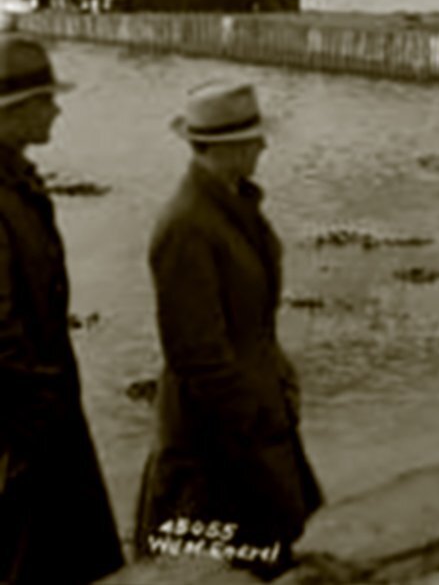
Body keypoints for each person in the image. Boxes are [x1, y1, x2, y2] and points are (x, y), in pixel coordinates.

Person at [136, 81, 322, 577]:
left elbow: (252, 322)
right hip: (216, 434)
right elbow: (195, 352)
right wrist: (254, 418)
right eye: (254, 138)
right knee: (230, 556)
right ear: (225, 148)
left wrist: (280, 373)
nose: (263, 145)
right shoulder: (186, 226)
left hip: (256, 412)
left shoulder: (234, 206)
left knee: (276, 546)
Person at [0, 38, 125, 585]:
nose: (56, 109)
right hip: (25, 427)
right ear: (15, 110)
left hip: (44, 415)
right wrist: (38, 414)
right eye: (46, 99)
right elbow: (0, 331)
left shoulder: (17, 181)